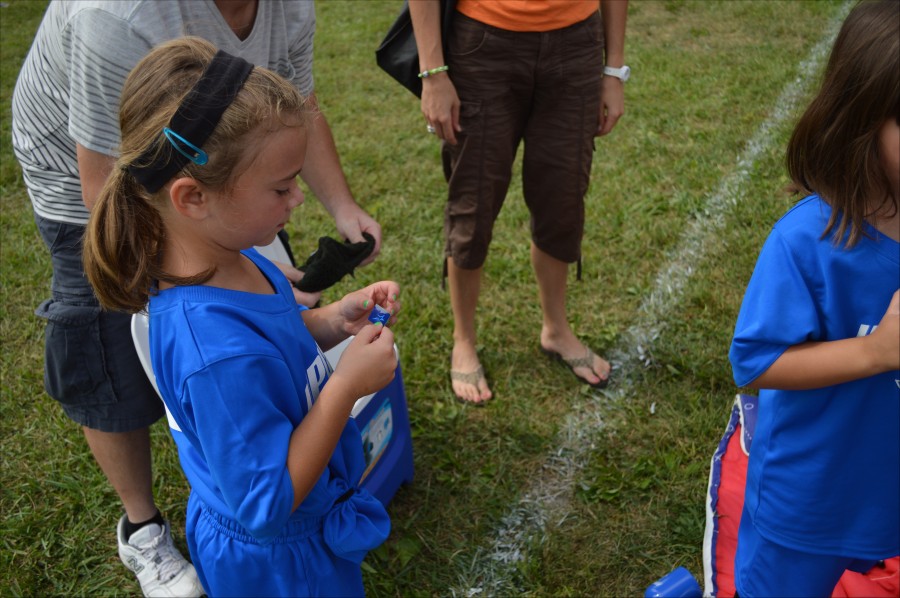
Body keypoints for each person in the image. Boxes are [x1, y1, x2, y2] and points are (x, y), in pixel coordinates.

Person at [11, 1, 380, 594]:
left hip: (307, 534)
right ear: (192, 198)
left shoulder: (241, 252)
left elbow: (275, 340)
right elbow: (265, 502)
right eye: (282, 187)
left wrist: (331, 322)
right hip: (275, 563)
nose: (299, 200)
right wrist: (345, 386)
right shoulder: (213, 350)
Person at [728, 1, 899, 595]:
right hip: (814, 497)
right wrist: (876, 354)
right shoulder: (808, 240)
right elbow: (756, 362)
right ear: (862, 118)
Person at [408, 0, 628, 404]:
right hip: (483, 46)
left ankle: (556, 329)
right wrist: (433, 73)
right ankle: (464, 339)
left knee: (562, 198)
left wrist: (613, 70)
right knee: (473, 201)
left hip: (576, 45)